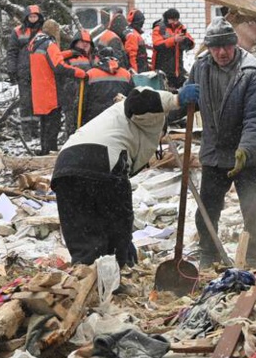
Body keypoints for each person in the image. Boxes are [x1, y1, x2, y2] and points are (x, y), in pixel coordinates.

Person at [51, 85, 201, 266]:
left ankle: (88, 280)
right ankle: (116, 275)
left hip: (65, 169)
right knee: (116, 235)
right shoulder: (146, 109)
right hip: (103, 162)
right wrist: (176, 100)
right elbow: (137, 101)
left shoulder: (114, 119)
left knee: (84, 240)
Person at [188, 18, 256, 268]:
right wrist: (171, 107)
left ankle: (254, 257)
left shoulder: (252, 73)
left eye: (226, 46)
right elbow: (188, 99)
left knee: (254, 209)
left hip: (249, 154)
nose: (222, 53)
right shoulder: (201, 67)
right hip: (215, 152)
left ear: (235, 45)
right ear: (209, 48)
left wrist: (245, 150)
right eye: (216, 48)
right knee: (207, 209)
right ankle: (208, 252)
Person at [28, 19, 87, 155]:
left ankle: (44, 151)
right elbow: (58, 67)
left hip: (39, 92)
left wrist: (70, 53)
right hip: (50, 92)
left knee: (45, 126)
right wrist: (79, 73)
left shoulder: (35, 43)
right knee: (53, 127)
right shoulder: (50, 44)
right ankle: (51, 155)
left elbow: (50, 57)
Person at [6, 5, 44, 138]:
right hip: (24, 71)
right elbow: (12, 52)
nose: (33, 19)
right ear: (26, 17)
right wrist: (11, 68)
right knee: (26, 101)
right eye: (31, 16)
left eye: (35, 16)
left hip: (40, 72)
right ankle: (27, 131)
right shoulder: (17, 31)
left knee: (38, 101)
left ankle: (36, 130)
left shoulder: (44, 31)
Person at [59, 29, 97, 138]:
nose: (85, 44)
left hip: (90, 97)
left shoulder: (95, 57)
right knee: (72, 124)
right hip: (72, 96)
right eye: (82, 41)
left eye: (87, 42)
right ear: (75, 42)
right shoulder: (69, 57)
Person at [82, 47, 134, 125]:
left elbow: (82, 101)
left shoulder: (90, 74)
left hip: (95, 120)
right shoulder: (126, 74)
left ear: (98, 58)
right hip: (119, 119)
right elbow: (132, 98)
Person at [152, 8, 194, 91]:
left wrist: (186, 41)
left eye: (177, 19)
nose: (175, 22)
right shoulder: (159, 29)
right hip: (163, 69)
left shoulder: (180, 28)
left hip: (178, 70)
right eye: (173, 19)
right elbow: (157, 45)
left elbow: (191, 43)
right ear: (167, 19)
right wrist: (174, 40)